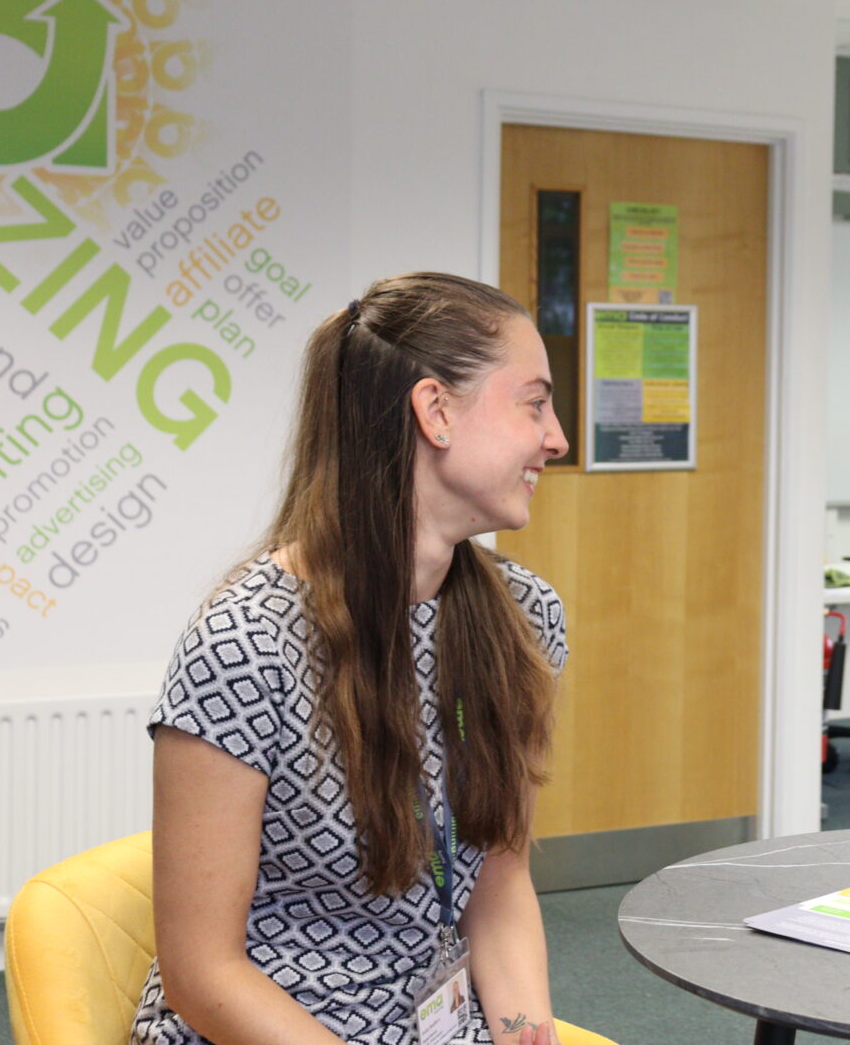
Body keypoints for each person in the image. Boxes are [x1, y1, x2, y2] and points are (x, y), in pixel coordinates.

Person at [131, 273, 573, 1045]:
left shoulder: (525, 620)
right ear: (435, 411)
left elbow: (497, 885)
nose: (557, 437)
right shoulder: (246, 645)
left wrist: (525, 1031)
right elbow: (202, 974)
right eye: (533, 404)